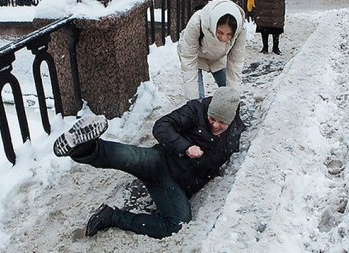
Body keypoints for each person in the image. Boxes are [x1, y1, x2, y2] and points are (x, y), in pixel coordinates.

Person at [53, 87, 245, 239]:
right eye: (212, 118)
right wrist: (186, 147)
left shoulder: (233, 132)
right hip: (161, 160)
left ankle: (112, 216)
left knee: (178, 225)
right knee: (128, 156)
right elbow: (161, 126)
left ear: (230, 120)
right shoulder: (196, 110)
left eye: (222, 123)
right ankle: (82, 147)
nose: (215, 125)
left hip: (174, 186)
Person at [177, 0, 247, 100]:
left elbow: (235, 63)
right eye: (220, 32)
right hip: (195, 57)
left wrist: (232, 101)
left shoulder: (241, 30)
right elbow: (189, 61)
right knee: (197, 100)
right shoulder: (197, 22)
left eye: (229, 35)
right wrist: (194, 103)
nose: (224, 38)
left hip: (218, 57)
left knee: (228, 95)